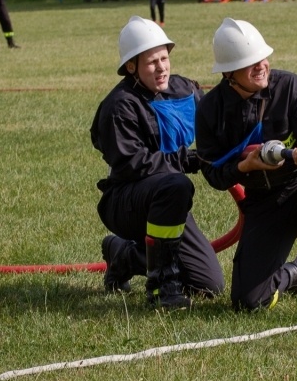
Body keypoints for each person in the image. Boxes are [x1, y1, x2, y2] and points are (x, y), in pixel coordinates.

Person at [195, 18, 297, 324]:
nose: (261, 66)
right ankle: (296, 271)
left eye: (262, 58)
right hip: (263, 205)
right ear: (229, 73)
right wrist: (245, 166)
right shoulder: (210, 110)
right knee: (248, 302)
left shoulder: (289, 87)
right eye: (250, 63)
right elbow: (214, 174)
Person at [91, 16, 225, 308]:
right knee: (177, 184)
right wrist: (187, 160)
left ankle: (124, 256)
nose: (162, 67)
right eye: (152, 62)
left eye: (164, 58)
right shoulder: (120, 106)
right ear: (131, 67)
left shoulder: (185, 89)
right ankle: (162, 286)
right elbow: (132, 164)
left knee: (209, 285)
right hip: (127, 201)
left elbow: (216, 123)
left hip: (168, 201)